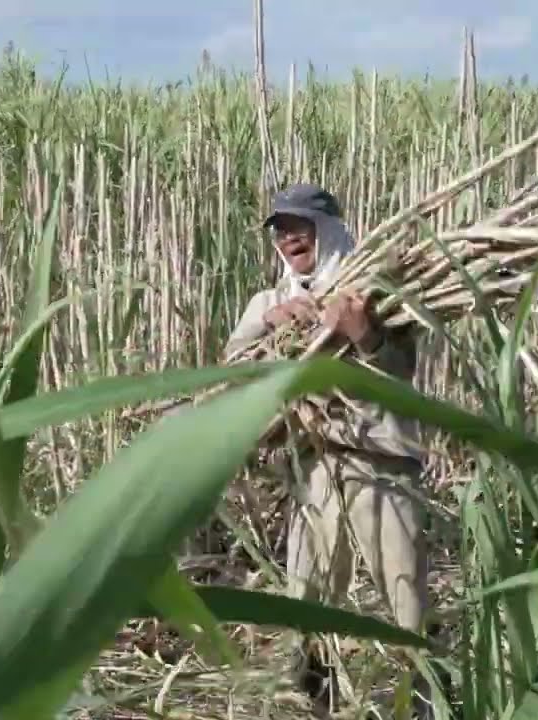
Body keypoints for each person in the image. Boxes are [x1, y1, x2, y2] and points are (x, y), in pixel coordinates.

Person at [223, 183, 447, 718]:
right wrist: (268, 328)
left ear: (327, 229)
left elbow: (401, 373)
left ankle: (426, 703)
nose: (288, 236)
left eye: (299, 225)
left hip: (380, 465)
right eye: (279, 228)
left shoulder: (377, 291)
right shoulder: (270, 302)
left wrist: (363, 335)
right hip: (315, 464)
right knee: (308, 600)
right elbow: (230, 372)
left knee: (405, 601)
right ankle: (311, 703)